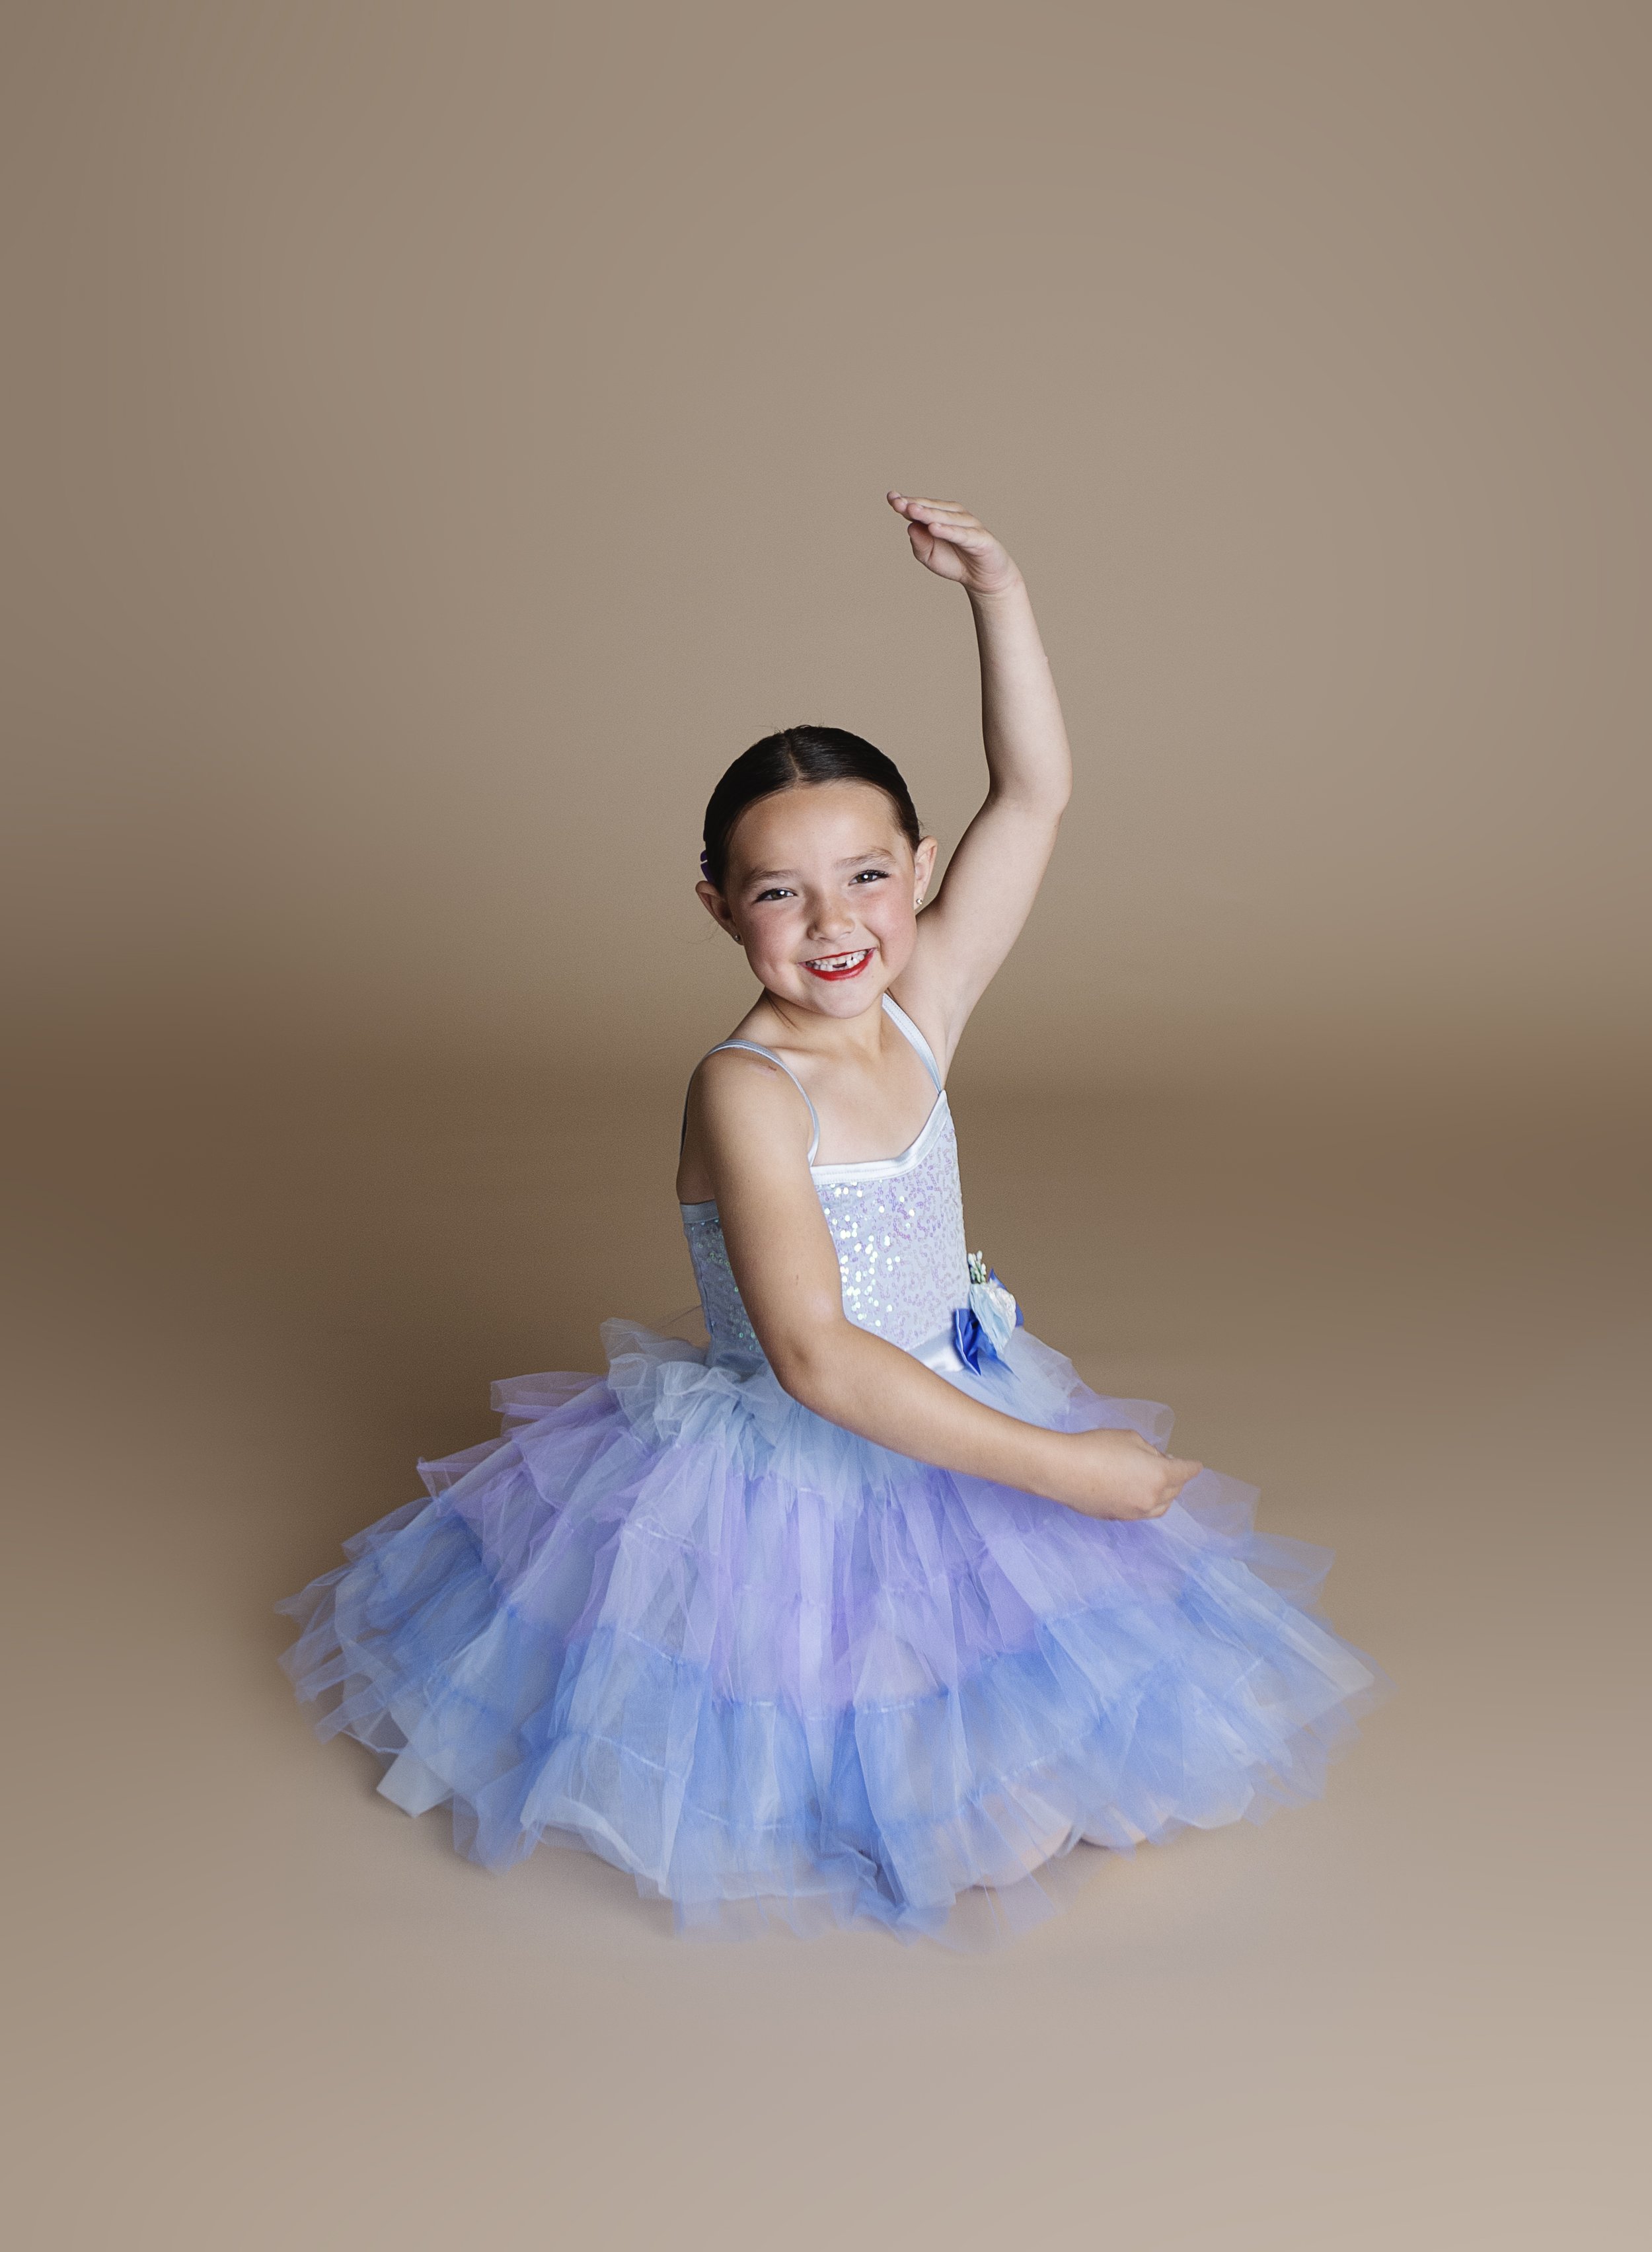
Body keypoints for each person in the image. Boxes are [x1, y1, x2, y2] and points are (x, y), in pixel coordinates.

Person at [278, 492, 1384, 1943]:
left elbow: (1034, 797)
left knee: (1105, 1754)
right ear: (717, 909)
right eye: (779, 895)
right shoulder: (746, 1088)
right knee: (972, 1827)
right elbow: (812, 1356)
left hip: (955, 1397)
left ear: (920, 871)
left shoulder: (922, 1006)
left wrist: (997, 592)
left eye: (867, 876)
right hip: (799, 1467)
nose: (833, 923)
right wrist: (1063, 1471)